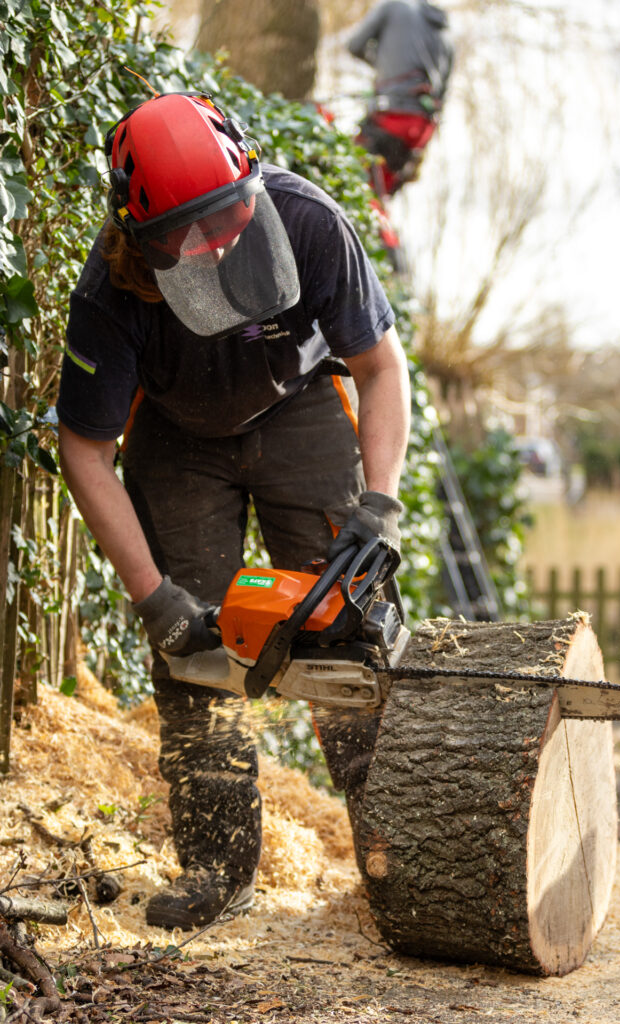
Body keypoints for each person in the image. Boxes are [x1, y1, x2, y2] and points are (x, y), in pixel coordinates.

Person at [56, 91, 411, 930]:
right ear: (141, 234)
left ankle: (399, 857)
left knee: (353, 622)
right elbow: (85, 451)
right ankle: (218, 866)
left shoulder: (310, 222)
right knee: (195, 652)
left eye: (228, 215)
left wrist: (381, 501)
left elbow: (380, 367)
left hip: (300, 406)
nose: (218, 240)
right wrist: (153, 597)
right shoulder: (109, 297)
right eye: (190, 230)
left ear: (250, 178)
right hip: (176, 434)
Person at [347, 0, 454, 196]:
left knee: (356, 182)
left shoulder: (393, 7)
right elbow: (444, 93)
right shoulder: (446, 33)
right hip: (422, 128)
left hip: (390, 116)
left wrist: (382, 63)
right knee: (383, 191)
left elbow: (355, 45)